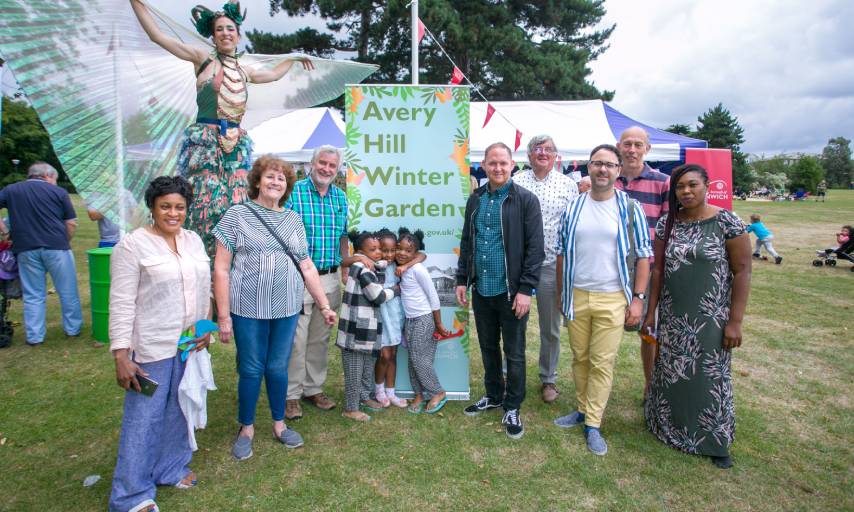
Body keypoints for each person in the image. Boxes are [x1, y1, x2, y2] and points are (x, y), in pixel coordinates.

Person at [130, 0, 314, 259]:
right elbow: (157, 36)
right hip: (205, 144)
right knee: (206, 204)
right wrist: (136, 4)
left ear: (238, 35)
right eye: (220, 29)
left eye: (230, 29)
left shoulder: (244, 71)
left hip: (235, 145)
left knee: (236, 204)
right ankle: (200, 262)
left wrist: (293, 59)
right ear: (213, 36)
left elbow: (272, 75)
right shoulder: (202, 59)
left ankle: (232, 264)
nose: (226, 33)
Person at [212, 156, 336, 460]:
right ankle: (247, 428)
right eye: (270, 177)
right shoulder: (236, 216)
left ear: (287, 186)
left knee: (278, 367)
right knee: (252, 368)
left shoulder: (293, 219)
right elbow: (221, 269)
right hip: (246, 308)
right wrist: (224, 316)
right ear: (257, 180)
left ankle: (279, 425)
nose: (275, 182)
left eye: (281, 179)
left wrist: (324, 305)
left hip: (286, 307)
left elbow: (306, 266)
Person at [108, 176, 212, 512]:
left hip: (187, 345)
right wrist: (121, 355)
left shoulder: (194, 241)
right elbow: (121, 302)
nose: (173, 213)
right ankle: (131, 495)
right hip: (150, 348)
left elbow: (203, 288)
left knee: (179, 409)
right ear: (152, 207)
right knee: (144, 418)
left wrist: (206, 328)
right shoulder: (132, 245)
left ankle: (170, 468)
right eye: (165, 206)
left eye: (179, 207)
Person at [642, 164, 752, 469]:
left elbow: (742, 272)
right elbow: (659, 269)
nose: (687, 192)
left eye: (693, 185)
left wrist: (735, 321)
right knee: (672, 371)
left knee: (709, 375)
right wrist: (651, 312)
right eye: (680, 187)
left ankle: (714, 441)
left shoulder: (727, 222)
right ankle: (665, 427)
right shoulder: (668, 224)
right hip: (674, 314)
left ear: (706, 185)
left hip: (711, 316)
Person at [553, 144, 652, 456]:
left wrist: (637, 300)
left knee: (601, 362)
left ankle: (593, 423)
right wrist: (561, 294)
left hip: (613, 298)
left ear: (618, 171)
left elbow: (644, 257)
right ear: (589, 168)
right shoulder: (573, 207)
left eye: (609, 165)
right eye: (597, 164)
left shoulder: (629, 208)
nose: (602, 170)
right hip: (576, 295)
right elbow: (560, 253)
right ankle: (582, 410)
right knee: (580, 358)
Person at [456, 142, 544, 440]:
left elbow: (535, 250)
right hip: (482, 289)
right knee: (488, 347)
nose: (497, 168)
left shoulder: (525, 200)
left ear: (512, 164)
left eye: (503, 163)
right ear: (483, 164)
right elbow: (468, 241)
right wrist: (461, 279)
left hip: (511, 292)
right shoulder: (476, 199)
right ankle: (493, 395)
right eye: (492, 163)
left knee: (515, 353)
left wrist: (525, 290)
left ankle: (512, 405)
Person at [285, 145, 349, 420]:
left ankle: (313, 388)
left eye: (332, 166)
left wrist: (345, 268)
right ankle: (291, 395)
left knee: (320, 338)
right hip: (298, 278)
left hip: (330, 278)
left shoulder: (340, 198)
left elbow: (344, 236)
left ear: (337, 170)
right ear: (312, 163)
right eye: (322, 163)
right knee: (297, 339)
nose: (326, 169)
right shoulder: (294, 193)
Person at [513, 135, 578, 403]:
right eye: (537, 149)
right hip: (519, 265)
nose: (543, 153)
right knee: (515, 323)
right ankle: (510, 374)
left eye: (548, 149)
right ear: (528, 156)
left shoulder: (568, 185)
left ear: (556, 156)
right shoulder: (515, 182)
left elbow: (573, 226)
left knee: (550, 327)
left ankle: (548, 378)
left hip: (552, 265)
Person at [614, 126, 671, 398]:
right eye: (627, 144)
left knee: (649, 330)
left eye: (638, 144)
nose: (632, 150)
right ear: (619, 146)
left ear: (647, 148)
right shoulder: (606, 178)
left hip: (646, 267)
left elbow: (670, 227)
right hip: (611, 267)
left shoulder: (663, 182)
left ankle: (651, 387)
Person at [0, 162, 82, 345]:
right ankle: (72, 329)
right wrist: (66, 240)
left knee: (33, 294)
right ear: (48, 176)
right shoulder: (59, 192)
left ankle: (35, 336)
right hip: (57, 248)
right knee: (67, 291)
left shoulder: (11, 190)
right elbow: (71, 223)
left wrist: (5, 231)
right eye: (55, 179)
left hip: (25, 248)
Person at [336, 230, 398, 421]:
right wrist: (395, 290)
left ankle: (364, 396)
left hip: (368, 329)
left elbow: (381, 265)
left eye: (379, 248)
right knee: (355, 370)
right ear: (359, 251)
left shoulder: (369, 266)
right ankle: (351, 407)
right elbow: (378, 296)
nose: (378, 252)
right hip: (355, 331)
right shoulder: (362, 269)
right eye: (373, 249)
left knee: (366, 367)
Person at [397, 228, 451, 415]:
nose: (402, 253)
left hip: (424, 319)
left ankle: (438, 391)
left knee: (420, 359)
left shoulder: (417, 269)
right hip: (410, 320)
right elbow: (420, 255)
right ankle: (419, 394)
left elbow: (433, 297)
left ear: (414, 253)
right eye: (400, 248)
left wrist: (438, 323)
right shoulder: (400, 267)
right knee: (413, 359)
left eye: (408, 250)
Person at [373, 229, 408, 408]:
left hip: (396, 315)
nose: (388, 254)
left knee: (393, 354)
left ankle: (391, 392)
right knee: (384, 355)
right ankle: (378, 390)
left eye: (392, 250)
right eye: (384, 250)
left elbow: (421, 255)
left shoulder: (398, 265)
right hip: (382, 315)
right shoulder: (375, 265)